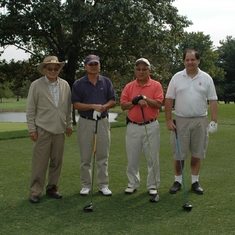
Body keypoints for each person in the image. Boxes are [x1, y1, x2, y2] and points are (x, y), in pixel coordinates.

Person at [165, 49, 218, 195]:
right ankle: (178, 181)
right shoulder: (177, 77)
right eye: (187, 60)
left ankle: (195, 181)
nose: (190, 62)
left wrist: (214, 121)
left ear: (198, 61)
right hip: (181, 121)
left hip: (200, 120)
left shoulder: (206, 78)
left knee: (197, 153)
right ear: (184, 62)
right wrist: (168, 119)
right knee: (179, 155)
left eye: (193, 59)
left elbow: (213, 100)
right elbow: (169, 99)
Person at [26, 56, 73, 203]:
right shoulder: (36, 85)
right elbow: (30, 109)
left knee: (56, 161)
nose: (53, 71)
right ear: (44, 69)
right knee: (39, 163)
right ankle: (35, 191)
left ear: (59, 69)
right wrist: (31, 129)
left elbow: (68, 108)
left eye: (56, 68)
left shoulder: (65, 85)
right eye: (50, 68)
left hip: (59, 129)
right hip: (42, 129)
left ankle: (52, 187)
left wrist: (69, 124)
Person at [72, 55, 116, 196]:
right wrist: (93, 106)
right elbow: (76, 104)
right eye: (90, 64)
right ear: (85, 66)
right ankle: (86, 185)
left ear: (99, 66)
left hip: (102, 121)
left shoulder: (106, 82)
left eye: (96, 64)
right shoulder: (79, 84)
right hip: (85, 122)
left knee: (103, 155)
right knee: (86, 157)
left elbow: (113, 100)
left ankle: (103, 185)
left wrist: (103, 107)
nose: (93, 66)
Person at [120, 58, 164, 197]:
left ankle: (153, 185)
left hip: (151, 125)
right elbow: (123, 105)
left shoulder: (156, 85)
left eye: (144, 69)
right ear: (134, 70)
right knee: (133, 157)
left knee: (152, 157)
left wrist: (144, 97)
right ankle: (133, 183)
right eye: (138, 69)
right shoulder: (129, 86)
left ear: (149, 70)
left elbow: (158, 104)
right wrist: (135, 101)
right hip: (133, 126)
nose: (141, 71)